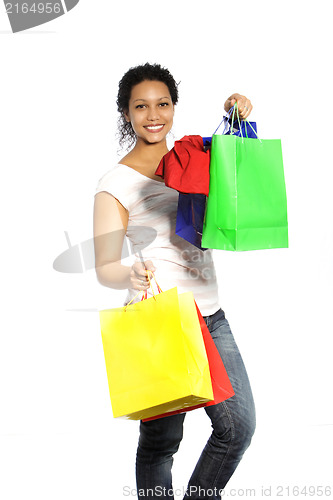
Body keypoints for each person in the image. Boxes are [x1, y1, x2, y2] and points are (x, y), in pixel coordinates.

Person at [93, 63, 256, 500]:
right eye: (141, 106)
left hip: (210, 312)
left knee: (237, 428)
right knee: (162, 440)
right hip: (161, 317)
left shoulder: (192, 159)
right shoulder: (115, 184)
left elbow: (235, 153)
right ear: (126, 113)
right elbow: (105, 264)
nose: (153, 114)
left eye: (162, 103)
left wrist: (235, 107)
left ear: (173, 108)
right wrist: (127, 272)